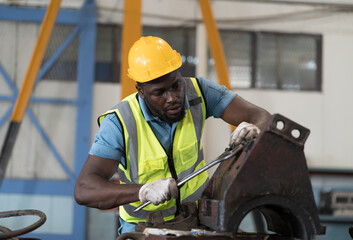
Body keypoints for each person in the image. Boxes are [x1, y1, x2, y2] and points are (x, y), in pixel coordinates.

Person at [74, 36, 271, 234]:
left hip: (197, 221)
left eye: (176, 85)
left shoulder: (200, 93)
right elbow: (84, 189)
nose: (173, 98)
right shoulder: (120, 122)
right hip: (144, 228)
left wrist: (253, 127)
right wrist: (142, 191)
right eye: (159, 93)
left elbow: (261, 116)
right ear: (141, 91)